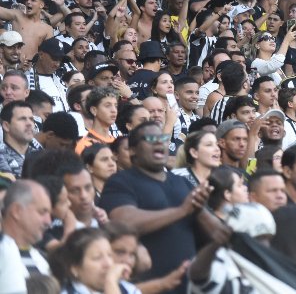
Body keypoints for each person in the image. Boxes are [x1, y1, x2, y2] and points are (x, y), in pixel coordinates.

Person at [98, 122, 224, 293]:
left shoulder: (182, 183)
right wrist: (181, 211)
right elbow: (124, 222)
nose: (159, 142)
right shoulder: (121, 182)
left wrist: (200, 208)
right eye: (151, 138)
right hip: (146, 286)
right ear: (133, 150)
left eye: (163, 138)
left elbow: (218, 236)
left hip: (189, 287)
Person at [48, 227, 137, 293]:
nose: (108, 264)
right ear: (75, 268)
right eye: (97, 258)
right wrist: (110, 282)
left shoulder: (128, 289)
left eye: (109, 255)